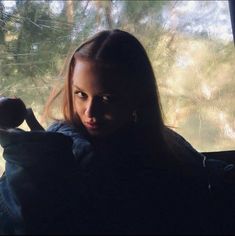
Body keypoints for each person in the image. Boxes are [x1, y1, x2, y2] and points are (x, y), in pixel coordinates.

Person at [0, 29, 223, 234]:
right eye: (80, 94)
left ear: (138, 96)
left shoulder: (165, 145)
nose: (90, 112)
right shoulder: (56, 151)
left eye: (107, 98)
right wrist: (27, 162)